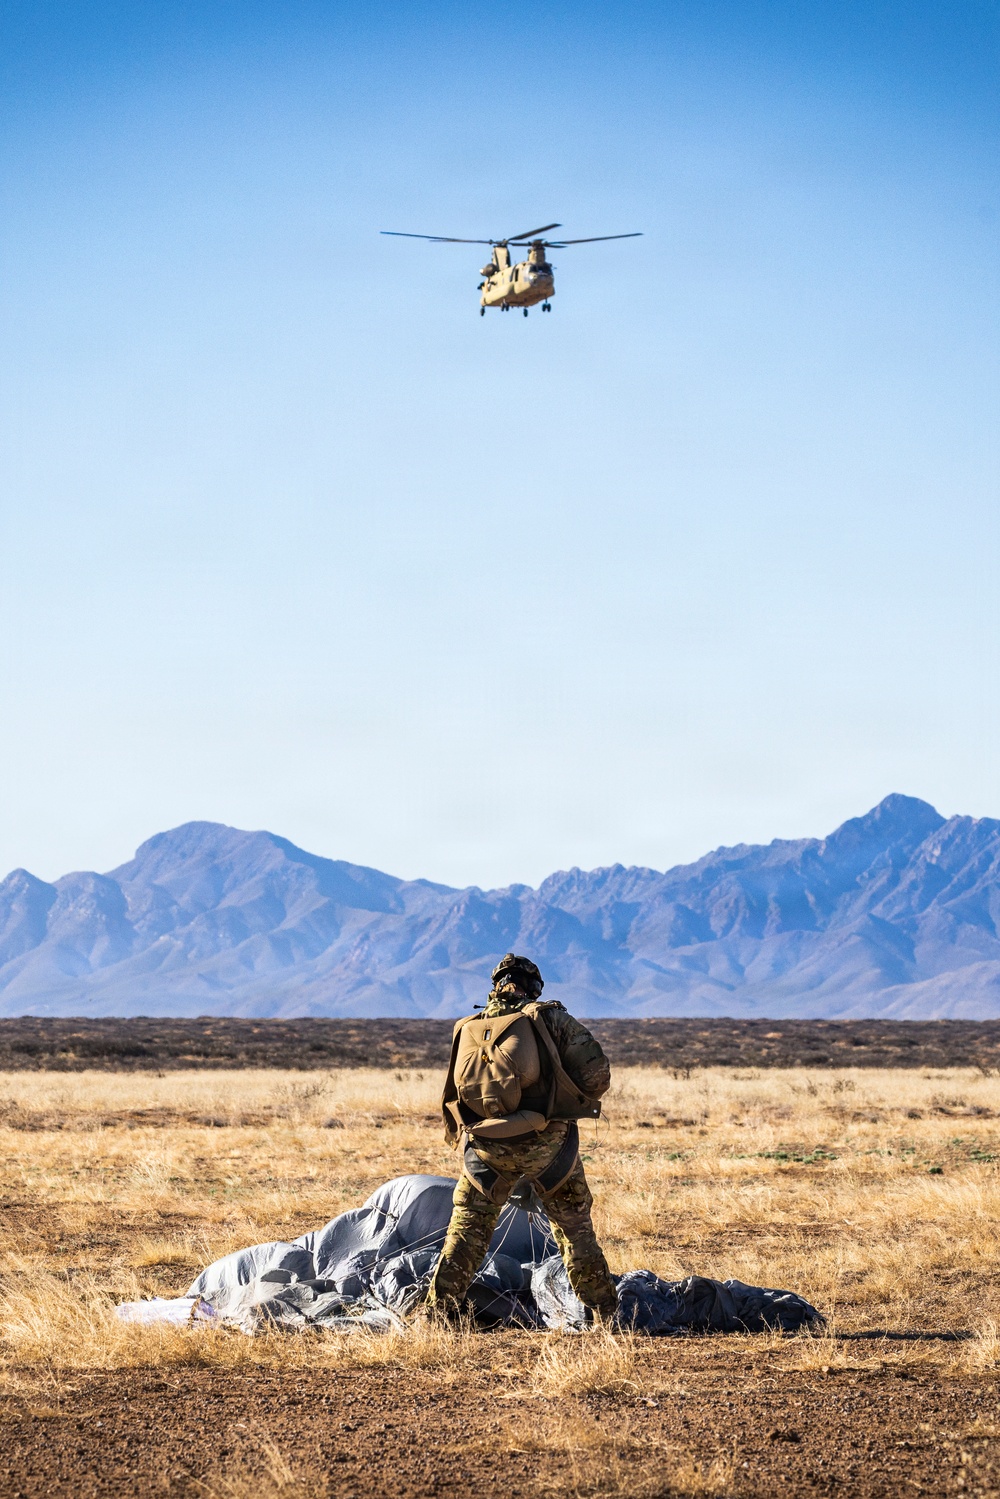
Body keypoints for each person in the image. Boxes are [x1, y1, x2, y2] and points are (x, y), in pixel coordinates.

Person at [425, 952, 618, 1323]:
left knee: (467, 1232)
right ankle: (606, 1316)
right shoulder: (550, 1018)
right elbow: (597, 1077)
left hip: (485, 1151)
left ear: (495, 985)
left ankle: (437, 1316)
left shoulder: (469, 1026)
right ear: (533, 987)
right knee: (575, 1231)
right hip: (549, 1150)